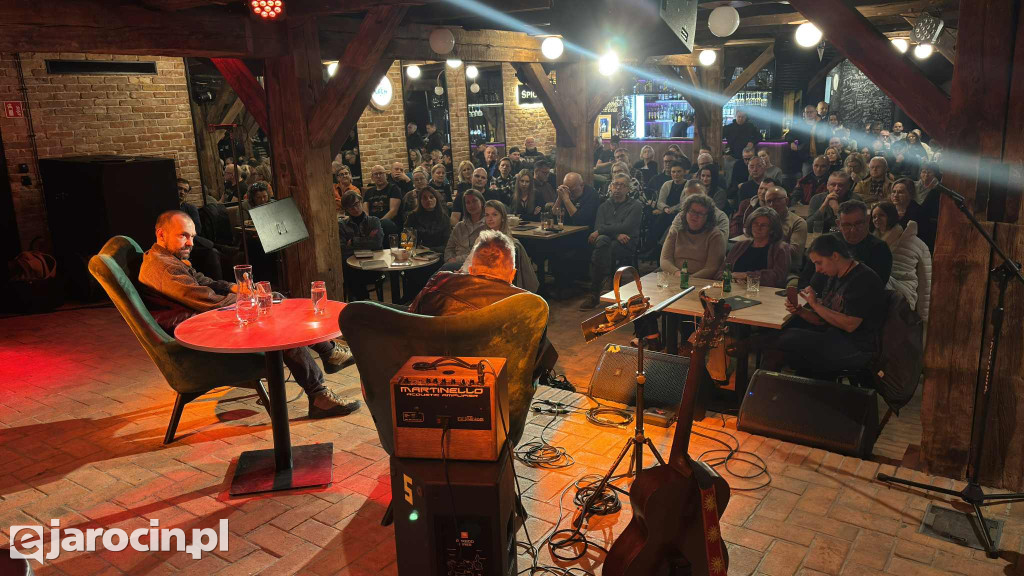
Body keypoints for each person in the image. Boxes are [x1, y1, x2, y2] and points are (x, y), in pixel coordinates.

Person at [139, 211, 359, 418]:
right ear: (161, 234)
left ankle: (327, 357)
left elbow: (199, 280)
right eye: (183, 236)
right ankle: (321, 385)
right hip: (197, 336)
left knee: (275, 302)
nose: (190, 243)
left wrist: (234, 287)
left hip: (197, 322)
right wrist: (251, 301)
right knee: (278, 325)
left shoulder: (165, 258)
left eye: (193, 236)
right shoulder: (164, 268)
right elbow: (207, 302)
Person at [408, 230, 558, 381]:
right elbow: (532, 368)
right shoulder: (531, 305)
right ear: (512, 275)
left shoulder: (440, 281)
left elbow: (411, 317)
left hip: (427, 376)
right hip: (498, 387)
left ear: (471, 270)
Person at [759, 234, 886, 376]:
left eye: (819, 263)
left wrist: (814, 304)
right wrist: (801, 312)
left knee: (789, 339)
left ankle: (749, 349)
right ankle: (769, 388)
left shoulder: (863, 280)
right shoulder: (834, 276)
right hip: (834, 335)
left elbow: (850, 324)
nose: (817, 269)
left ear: (835, 256)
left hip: (857, 346)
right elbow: (822, 320)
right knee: (784, 337)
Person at [579, 174, 643, 309]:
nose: (618, 188)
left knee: (603, 244)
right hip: (610, 240)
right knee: (603, 242)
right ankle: (604, 284)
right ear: (611, 187)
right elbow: (598, 226)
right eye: (615, 184)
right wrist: (617, 233)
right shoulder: (604, 205)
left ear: (628, 189)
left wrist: (606, 231)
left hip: (627, 242)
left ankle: (594, 292)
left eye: (622, 185)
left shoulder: (635, 206)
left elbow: (627, 227)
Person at [802, 199, 892, 291]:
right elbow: (805, 276)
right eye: (847, 225)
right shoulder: (827, 241)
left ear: (868, 220)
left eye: (858, 223)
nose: (853, 230)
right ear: (838, 224)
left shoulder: (880, 249)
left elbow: (875, 288)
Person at [872, 201, 931, 322]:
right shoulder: (871, 241)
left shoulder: (915, 243)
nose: (877, 219)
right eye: (874, 216)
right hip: (879, 288)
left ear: (891, 215)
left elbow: (926, 279)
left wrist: (923, 316)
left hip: (903, 291)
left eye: (881, 215)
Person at [718, 207, 790, 289]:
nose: (758, 228)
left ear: (772, 230)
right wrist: (733, 279)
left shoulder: (780, 248)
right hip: (734, 289)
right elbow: (721, 272)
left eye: (763, 225)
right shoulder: (739, 246)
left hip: (765, 294)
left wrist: (746, 276)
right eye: (755, 223)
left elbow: (778, 277)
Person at [483, 200, 539, 292]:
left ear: (503, 218)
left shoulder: (508, 244)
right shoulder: (482, 238)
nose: (490, 218)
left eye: (494, 215)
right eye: (487, 215)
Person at [338, 191, 384, 301]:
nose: (355, 208)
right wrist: (368, 240)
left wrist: (353, 241)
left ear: (361, 201)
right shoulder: (341, 225)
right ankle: (364, 302)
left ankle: (362, 303)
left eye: (356, 204)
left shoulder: (374, 221)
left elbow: (377, 243)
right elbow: (343, 249)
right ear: (346, 209)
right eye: (350, 207)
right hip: (352, 266)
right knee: (350, 273)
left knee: (354, 278)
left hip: (373, 264)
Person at [765, 185, 807, 271]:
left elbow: (795, 252)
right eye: (769, 201)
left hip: (788, 268)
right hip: (764, 265)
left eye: (776, 200)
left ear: (786, 200)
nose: (772, 205)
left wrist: (766, 242)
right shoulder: (763, 220)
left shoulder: (798, 222)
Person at [444, 190, 487, 267]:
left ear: (482, 203)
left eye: (474, 201)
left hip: (476, 266)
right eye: (468, 202)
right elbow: (449, 249)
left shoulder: (488, 226)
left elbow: (481, 254)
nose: (471, 205)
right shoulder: (459, 226)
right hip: (453, 265)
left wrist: (456, 260)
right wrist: (449, 260)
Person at [404, 185, 450, 253]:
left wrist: (430, 250)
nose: (428, 200)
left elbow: (448, 245)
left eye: (431, 197)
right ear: (420, 201)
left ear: (436, 199)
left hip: (437, 254)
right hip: (416, 253)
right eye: (424, 198)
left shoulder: (444, 218)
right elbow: (405, 241)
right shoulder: (412, 216)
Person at [363, 165, 402, 236]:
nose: (378, 176)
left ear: (386, 175)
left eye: (381, 173)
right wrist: (368, 223)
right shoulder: (368, 192)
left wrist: (377, 224)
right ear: (372, 177)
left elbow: (393, 212)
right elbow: (365, 212)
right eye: (375, 174)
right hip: (372, 224)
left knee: (386, 224)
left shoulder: (394, 189)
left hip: (389, 223)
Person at [913, 163, 943, 252]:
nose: (926, 175)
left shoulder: (938, 189)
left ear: (935, 174)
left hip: (929, 222)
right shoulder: (913, 186)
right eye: (923, 172)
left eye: (929, 172)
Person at [451, 160, 476, 224]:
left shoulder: (477, 183)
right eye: (464, 170)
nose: (467, 171)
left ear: (472, 170)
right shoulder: (461, 185)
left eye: (468, 169)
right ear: (461, 173)